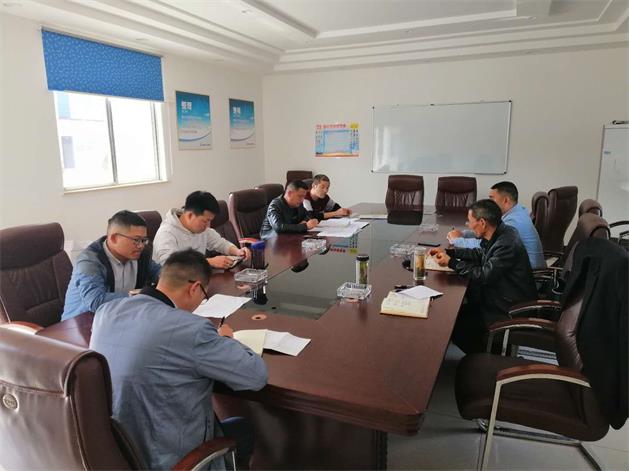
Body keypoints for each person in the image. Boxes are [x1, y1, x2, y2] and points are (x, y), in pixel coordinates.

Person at [89, 249, 268, 470]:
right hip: (166, 459)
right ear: (194, 288)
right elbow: (256, 376)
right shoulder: (191, 329)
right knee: (242, 429)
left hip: (115, 451)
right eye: (204, 296)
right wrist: (226, 340)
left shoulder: (106, 312)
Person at [431, 199, 537, 353]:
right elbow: (480, 254)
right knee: (455, 314)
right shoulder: (501, 232)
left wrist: (451, 263)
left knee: (454, 326)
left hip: (508, 307)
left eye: (470, 221)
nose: (468, 225)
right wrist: (450, 252)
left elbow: (484, 275)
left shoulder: (506, 243)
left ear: (482, 222)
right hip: (499, 297)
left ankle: (489, 357)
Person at [62, 210, 161, 320]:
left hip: (119, 318)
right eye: (136, 240)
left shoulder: (140, 255)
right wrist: (141, 295)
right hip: (82, 323)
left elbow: (161, 274)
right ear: (114, 238)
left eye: (144, 240)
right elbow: (96, 301)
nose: (141, 246)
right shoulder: (90, 261)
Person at [446, 181, 545, 269]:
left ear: (505, 200)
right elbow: (490, 232)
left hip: (528, 273)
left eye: (492, 199)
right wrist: (464, 234)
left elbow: (488, 245)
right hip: (515, 265)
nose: (490, 203)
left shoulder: (514, 222)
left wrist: (457, 241)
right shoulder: (516, 211)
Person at [153, 191, 250, 269]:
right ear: (190, 215)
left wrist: (237, 252)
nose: (207, 225)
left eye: (209, 221)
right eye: (205, 221)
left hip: (196, 279)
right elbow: (170, 265)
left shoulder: (201, 228)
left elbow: (219, 243)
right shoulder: (166, 233)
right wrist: (209, 262)